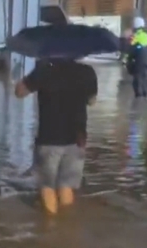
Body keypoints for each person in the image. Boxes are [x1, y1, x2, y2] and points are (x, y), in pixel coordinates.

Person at [15, 57, 98, 215]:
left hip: (49, 139)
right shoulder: (87, 72)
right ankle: (66, 229)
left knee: (47, 187)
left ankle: (51, 229)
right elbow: (92, 101)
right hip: (77, 140)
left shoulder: (44, 70)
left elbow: (19, 92)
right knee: (66, 187)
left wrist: (27, 79)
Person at [126, 16, 147, 99]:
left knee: (137, 85)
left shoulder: (134, 37)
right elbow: (142, 46)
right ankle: (145, 98)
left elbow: (130, 50)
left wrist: (125, 61)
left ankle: (137, 105)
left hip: (138, 63)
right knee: (144, 83)